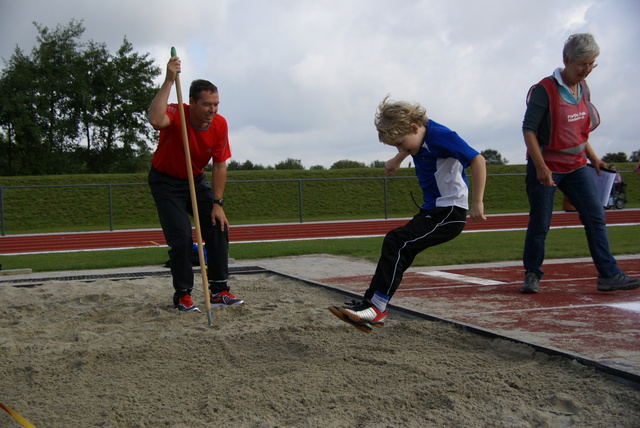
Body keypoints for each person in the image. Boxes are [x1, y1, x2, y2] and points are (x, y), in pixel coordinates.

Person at [328, 95, 487, 333]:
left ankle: (377, 308)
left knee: (397, 241)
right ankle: (371, 304)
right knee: (397, 246)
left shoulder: (442, 136)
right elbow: (415, 143)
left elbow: (477, 159)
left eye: (401, 144)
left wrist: (477, 202)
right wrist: (398, 158)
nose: (402, 149)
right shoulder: (418, 134)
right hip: (433, 209)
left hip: (450, 211)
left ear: (414, 127)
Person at [520, 33, 640, 294]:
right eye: (582, 64)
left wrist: (594, 158)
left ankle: (609, 274)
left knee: (595, 217)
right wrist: (540, 167)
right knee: (540, 223)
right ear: (566, 60)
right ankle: (532, 274)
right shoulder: (544, 90)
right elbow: (528, 130)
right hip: (547, 166)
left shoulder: (583, 88)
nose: (587, 70)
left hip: (576, 166)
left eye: (591, 64)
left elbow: (578, 131)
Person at [147, 55, 243, 312]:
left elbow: (220, 164)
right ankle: (183, 295)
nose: (212, 110)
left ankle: (219, 289)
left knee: (218, 225)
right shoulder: (176, 112)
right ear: (191, 103)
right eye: (206, 104)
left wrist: (217, 203)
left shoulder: (220, 124)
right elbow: (155, 120)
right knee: (180, 238)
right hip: (165, 181)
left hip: (195, 179)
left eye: (216, 104)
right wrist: (168, 80)